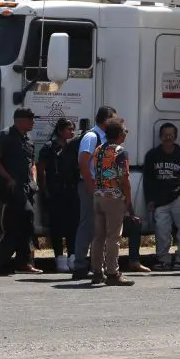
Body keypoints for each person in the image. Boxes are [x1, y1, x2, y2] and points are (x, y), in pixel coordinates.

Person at [0, 107, 42, 275]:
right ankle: (15, 261)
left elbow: (32, 162)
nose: (33, 122)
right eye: (30, 119)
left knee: (26, 224)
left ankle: (23, 261)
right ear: (19, 120)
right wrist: (8, 178)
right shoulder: (5, 136)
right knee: (22, 218)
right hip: (13, 186)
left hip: (28, 186)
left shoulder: (28, 139)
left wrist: (34, 180)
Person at [89, 119, 137, 286]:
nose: (126, 134)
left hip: (98, 195)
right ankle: (112, 272)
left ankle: (96, 271)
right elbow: (124, 178)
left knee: (98, 235)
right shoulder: (120, 152)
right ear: (118, 134)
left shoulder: (98, 150)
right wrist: (129, 202)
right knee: (113, 237)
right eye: (125, 131)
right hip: (114, 197)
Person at [74, 106, 116, 280]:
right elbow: (83, 163)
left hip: (101, 188)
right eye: (113, 119)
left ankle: (96, 265)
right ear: (106, 120)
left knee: (100, 228)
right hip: (89, 185)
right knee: (88, 225)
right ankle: (80, 266)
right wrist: (91, 187)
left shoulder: (105, 138)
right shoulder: (92, 136)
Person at [143, 123, 180, 271]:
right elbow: (148, 179)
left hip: (179, 196)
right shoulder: (152, 155)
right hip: (160, 199)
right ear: (160, 136)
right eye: (165, 134)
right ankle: (163, 259)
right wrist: (150, 199)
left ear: (175, 136)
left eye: (171, 134)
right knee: (161, 231)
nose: (168, 137)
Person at [38, 118, 78, 273]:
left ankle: (72, 257)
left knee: (72, 226)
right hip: (55, 191)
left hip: (71, 190)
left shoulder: (73, 146)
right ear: (60, 131)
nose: (72, 132)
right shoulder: (49, 147)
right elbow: (41, 169)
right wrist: (44, 189)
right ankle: (59, 259)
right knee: (56, 226)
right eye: (69, 129)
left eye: (73, 129)